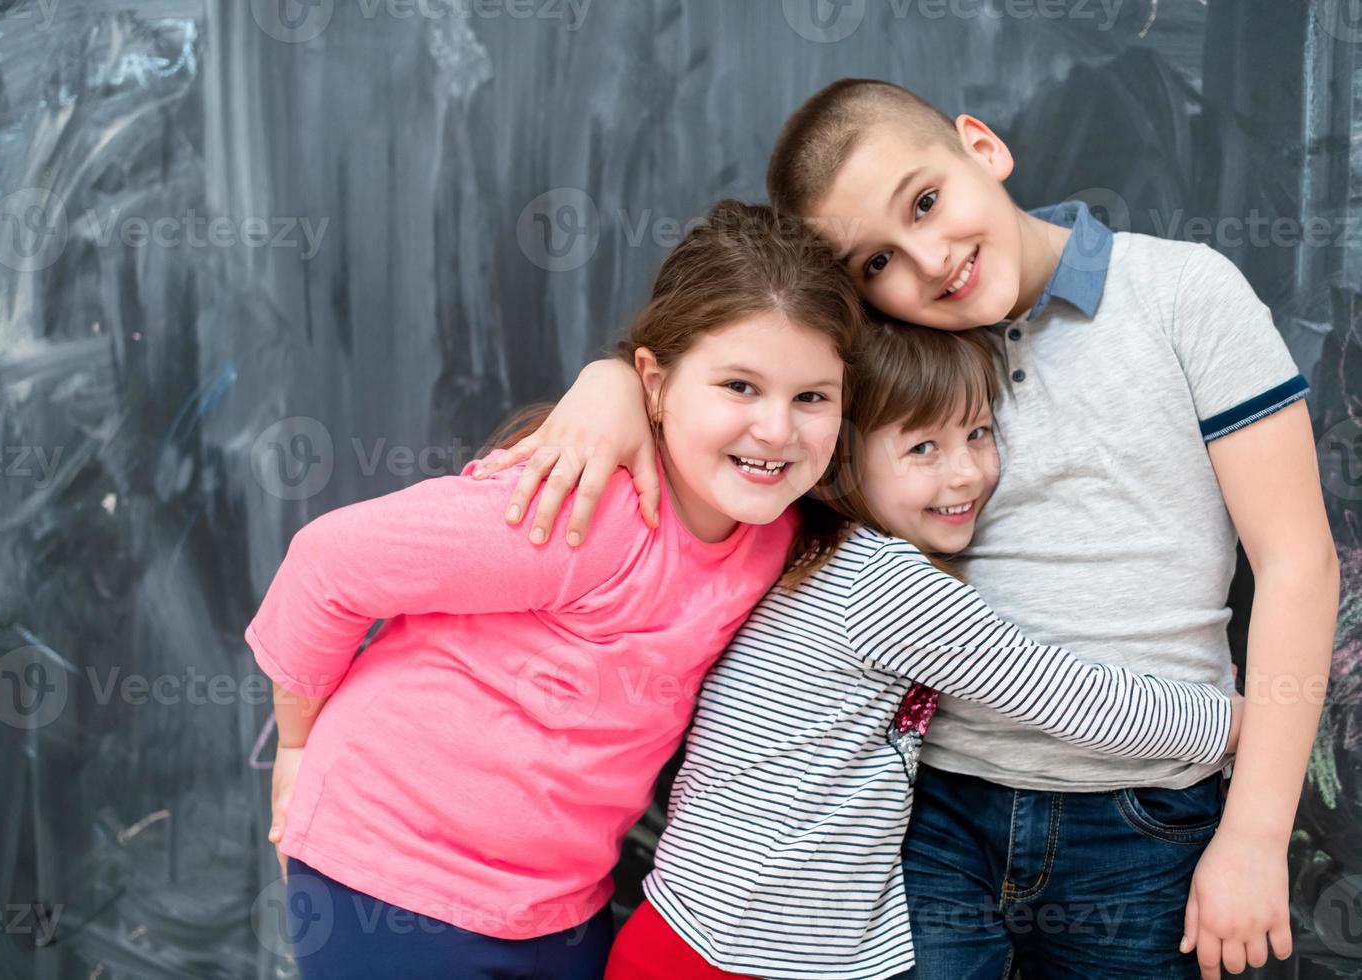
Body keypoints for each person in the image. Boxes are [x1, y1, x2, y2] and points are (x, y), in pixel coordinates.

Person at [471, 79, 1338, 980]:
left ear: (981, 147)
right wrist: (611, 381)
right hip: (929, 818)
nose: (927, 261)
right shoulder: (879, 351)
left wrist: (1258, 833)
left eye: (926, 201)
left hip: (1144, 814)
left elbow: (1297, 562)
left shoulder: (1181, 291)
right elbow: (731, 361)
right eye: (875, 263)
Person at [246, 200, 868, 979]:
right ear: (656, 379)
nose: (777, 429)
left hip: (558, 902)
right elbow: (326, 564)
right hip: (390, 872)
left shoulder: (779, 537)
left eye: (812, 397)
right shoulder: (581, 510)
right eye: (740, 386)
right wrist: (297, 749)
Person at [603, 322, 1243, 980]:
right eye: (922, 448)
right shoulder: (888, 586)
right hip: (732, 955)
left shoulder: (816, 548)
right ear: (843, 462)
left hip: (706, 929)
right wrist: (1232, 722)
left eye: (978, 433)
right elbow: (1073, 698)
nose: (966, 472)